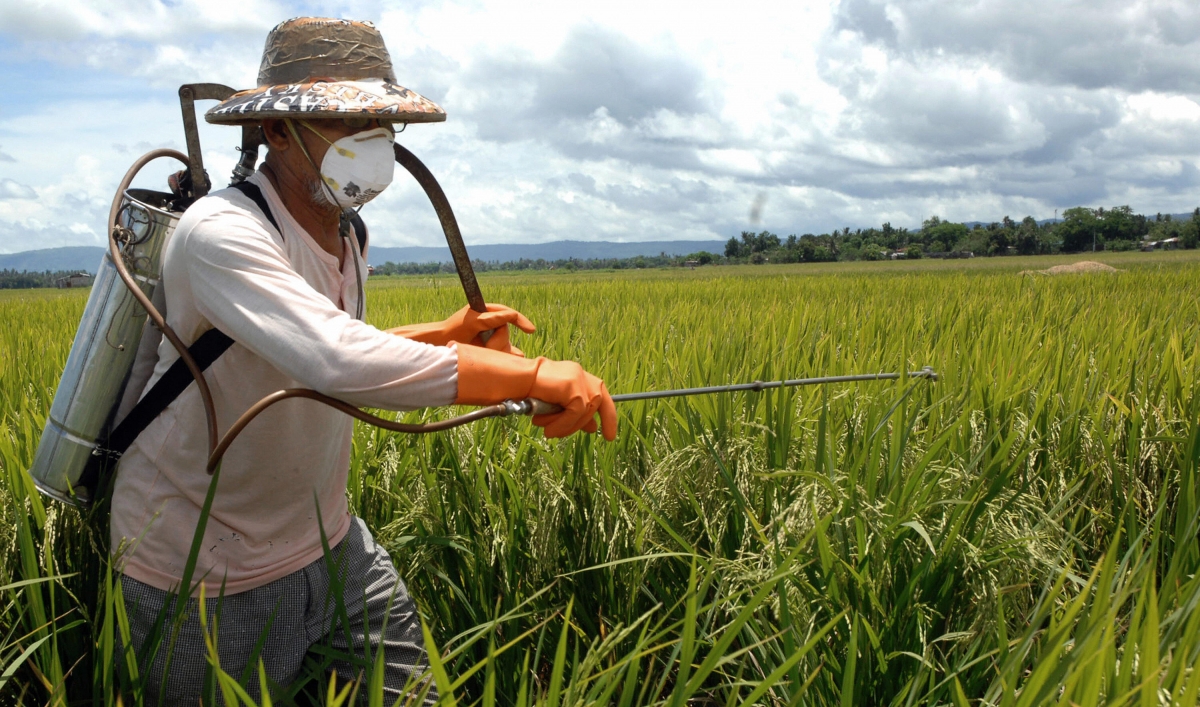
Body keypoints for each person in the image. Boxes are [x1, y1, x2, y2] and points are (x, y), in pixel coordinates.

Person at [111, 17, 617, 704]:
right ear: (278, 132)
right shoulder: (219, 233)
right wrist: (530, 376)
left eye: (378, 119)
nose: (370, 139)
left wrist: (444, 335)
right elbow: (333, 358)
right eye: (344, 121)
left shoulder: (347, 230)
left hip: (329, 541)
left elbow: (315, 342)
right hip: (201, 570)